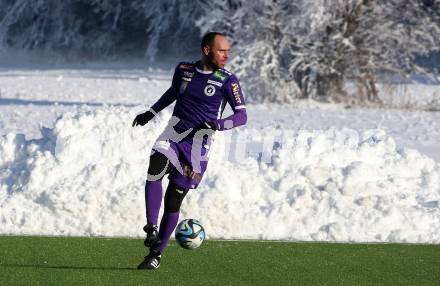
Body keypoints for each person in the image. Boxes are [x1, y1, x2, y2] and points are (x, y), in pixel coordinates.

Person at [132, 32, 247, 270]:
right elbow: (173, 92)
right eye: (221, 50)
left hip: (198, 146)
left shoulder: (228, 80)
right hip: (173, 133)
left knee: (173, 200)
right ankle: (151, 227)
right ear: (207, 50)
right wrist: (151, 113)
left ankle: (156, 255)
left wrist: (217, 124)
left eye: (227, 51)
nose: (226, 55)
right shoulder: (184, 69)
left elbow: (241, 116)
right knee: (155, 166)